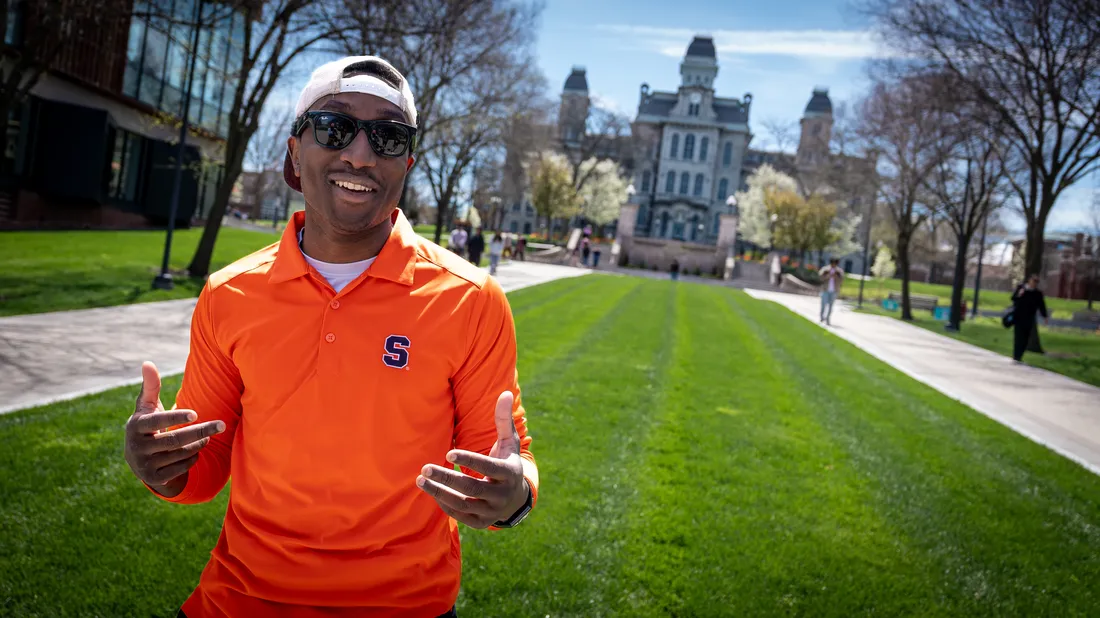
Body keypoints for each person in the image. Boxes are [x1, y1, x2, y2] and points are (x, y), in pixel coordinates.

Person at [123, 56, 538, 618]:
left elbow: (503, 460)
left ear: (407, 163)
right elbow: (200, 470)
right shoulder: (229, 294)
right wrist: (159, 462)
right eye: (334, 127)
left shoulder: (470, 298)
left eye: (389, 138)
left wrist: (513, 497)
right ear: (295, 151)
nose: (361, 154)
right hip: (239, 602)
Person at [1011, 273, 1049, 362]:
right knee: (1018, 337)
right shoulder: (1021, 288)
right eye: (1033, 281)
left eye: (1036, 282)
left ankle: (1020, 355)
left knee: (1025, 337)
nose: (1034, 283)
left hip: (1029, 318)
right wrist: (1019, 295)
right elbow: (1013, 299)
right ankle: (1016, 356)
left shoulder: (1037, 293)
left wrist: (1045, 316)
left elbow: (1041, 305)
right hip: (1019, 316)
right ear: (1029, 280)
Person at [818, 258, 844, 325]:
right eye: (832, 263)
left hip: (834, 291)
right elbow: (820, 278)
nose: (833, 265)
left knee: (831, 305)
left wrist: (836, 277)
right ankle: (822, 317)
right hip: (825, 290)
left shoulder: (839, 271)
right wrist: (828, 276)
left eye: (835, 264)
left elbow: (841, 281)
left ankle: (828, 318)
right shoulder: (825, 269)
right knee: (823, 304)